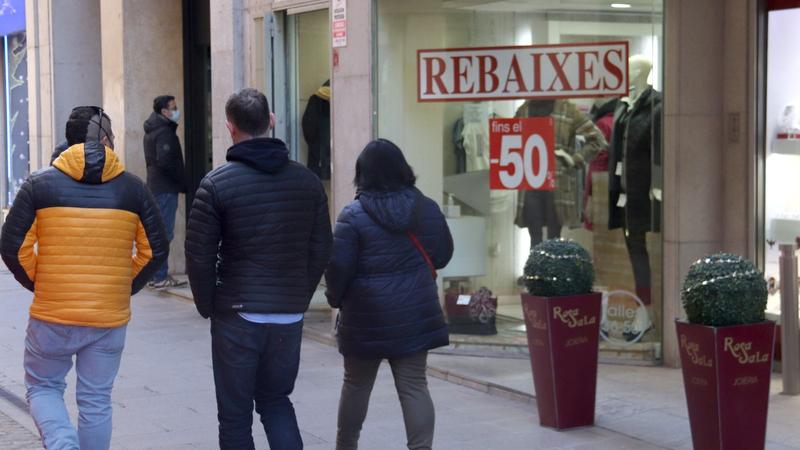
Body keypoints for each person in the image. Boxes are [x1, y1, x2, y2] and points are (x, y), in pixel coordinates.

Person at [0, 106, 169, 449]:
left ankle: (62, 443)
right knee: (96, 401)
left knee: (43, 386)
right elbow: (155, 251)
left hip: (53, 315)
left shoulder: (39, 185)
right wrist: (123, 286)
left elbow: (12, 246)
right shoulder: (133, 189)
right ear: (105, 139)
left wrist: (41, 282)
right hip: (107, 318)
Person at [185, 88, 332, 450]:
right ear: (271, 122)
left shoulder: (216, 184)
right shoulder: (308, 182)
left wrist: (208, 304)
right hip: (287, 314)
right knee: (276, 402)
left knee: (235, 417)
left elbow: (199, 256)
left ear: (229, 128)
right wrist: (299, 293)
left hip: (238, 314)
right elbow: (321, 247)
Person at [325, 139, 454, 450]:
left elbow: (338, 269)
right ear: (402, 169)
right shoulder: (426, 208)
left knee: (356, 385)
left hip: (366, 316)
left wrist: (335, 299)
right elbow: (443, 253)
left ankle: (346, 446)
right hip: (415, 314)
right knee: (414, 386)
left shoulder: (352, 216)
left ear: (362, 174)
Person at [143, 95, 187, 289]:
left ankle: (155, 275)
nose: (177, 110)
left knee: (159, 232)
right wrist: (181, 180)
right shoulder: (164, 133)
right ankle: (160, 275)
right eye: (173, 107)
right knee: (165, 232)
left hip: (156, 186)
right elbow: (165, 161)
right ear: (164, 112)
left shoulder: (153, 130)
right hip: (165, 188)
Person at [302, 80, 331, 180]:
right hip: (327, 144)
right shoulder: (336, 100)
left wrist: (312, 143)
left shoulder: (314, 98)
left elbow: (307, 122)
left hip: (316, 144)